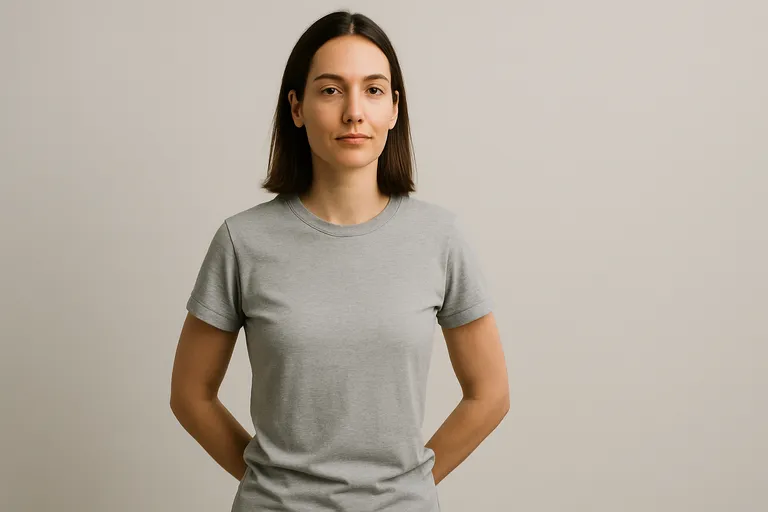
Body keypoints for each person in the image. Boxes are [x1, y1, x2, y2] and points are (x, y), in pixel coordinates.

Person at [170, 10, 509, 512]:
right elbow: (190, 394)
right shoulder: (242, 241)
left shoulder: (440, 238)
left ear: (394, 108)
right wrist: (271, 483)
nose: (354, 112)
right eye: (330, 90)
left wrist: (409, 487)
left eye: (373, 90)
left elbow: (491, 394)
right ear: (297, 107)